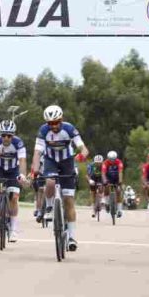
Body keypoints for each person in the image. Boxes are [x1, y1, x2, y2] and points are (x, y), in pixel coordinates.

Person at [31, 105, 89, 251]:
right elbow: (37, 153)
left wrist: (82, 155)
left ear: (61, 119)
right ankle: (49, 207)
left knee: (69, 201)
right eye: (50, 123)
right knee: (50, 182)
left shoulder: (69, 129)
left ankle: (72, 237)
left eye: (56, 122)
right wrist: (35, 169)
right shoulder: (43, 131)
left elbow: (83, 147)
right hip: (50, 161)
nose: (54, 126)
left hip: (67, 161)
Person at [0, 120, 27, 243]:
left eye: (9, 135)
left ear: (13, 135)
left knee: (14, 198)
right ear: (0, 135)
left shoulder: (18, 143)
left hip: (13, 170)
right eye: (3, 135)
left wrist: (22, 175)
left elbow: (23, 160)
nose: (6, 138)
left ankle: (13, 230)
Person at [101, 150, 124, 218]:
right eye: (110, 159)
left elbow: (120, 172)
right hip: (108, 178)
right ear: (108, 158)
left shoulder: (119, 162)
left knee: (119, 191)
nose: (112, 161)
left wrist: (120, 182)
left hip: (117, 178)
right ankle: (107, 203)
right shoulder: (105, 163)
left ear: (116, 158)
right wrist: (105, 181)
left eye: (113, 159)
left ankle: (119, 210)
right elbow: (103, 173)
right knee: (106, 189)